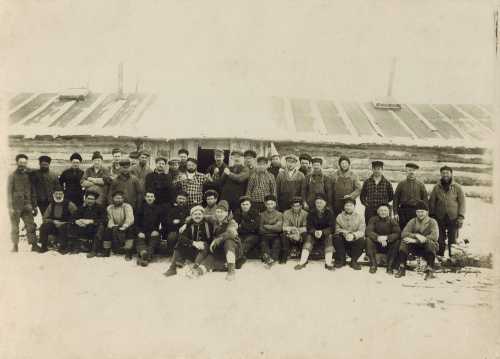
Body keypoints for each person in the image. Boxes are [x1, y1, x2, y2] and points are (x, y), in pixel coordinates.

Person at [188, 200, 242, 281]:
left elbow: (231, 233)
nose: (219, 214)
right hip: (219, 250)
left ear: (227, 213)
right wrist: (186, 223)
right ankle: (197, 272)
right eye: (217, 211)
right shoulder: (214, 219)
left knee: (228, 242)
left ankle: (231, 271)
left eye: (222, 212)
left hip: (233, 250)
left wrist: (218, 240)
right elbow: (200, 216)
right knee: (209, 259)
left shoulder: (232, 222)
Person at [163, 205, 214, 277]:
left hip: (204, 253)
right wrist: (193, 243)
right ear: (192, 216)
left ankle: (194, 268)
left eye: (199, 214)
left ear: (203, 215)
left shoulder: (208, 225)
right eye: (195, 214)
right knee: (179, 244)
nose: (197, 216)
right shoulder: (189, 225)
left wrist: (202, 243)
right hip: (192, 250)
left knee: (205, 244)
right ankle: (172, 268)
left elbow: (211, 238)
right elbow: (181, 237)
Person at [429, 165, 466, 257]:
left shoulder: (457, 187)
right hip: (439, 218)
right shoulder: (436, 187)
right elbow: (432, 202)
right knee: (440, 239)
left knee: (452, 240)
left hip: (453, 218)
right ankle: (440, 256)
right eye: (443, 173)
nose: (445, 175)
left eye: (447, 173)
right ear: (441, 174)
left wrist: (461, 217)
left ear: (451, 174)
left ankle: (452, 258)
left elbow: (462, 203)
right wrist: (432, 215)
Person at [396, 200, 439, 280]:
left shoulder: (432, 222)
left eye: (422, 212)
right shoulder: (412, 221)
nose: (420, 214)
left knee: (430, 243)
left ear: (426, 212)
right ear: (416, 212)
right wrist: (416, 235)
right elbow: (404, 233)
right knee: (404, 241)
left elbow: (434, 236)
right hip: (415, 247)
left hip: (428, 248)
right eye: (418, 212)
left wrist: (417, 240)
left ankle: (430, 270)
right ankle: (402, 267)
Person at [295, 193, 335, 270]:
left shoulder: (329, 213)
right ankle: (302, 261)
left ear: (325, 203)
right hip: (313, 234)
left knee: (329, 238)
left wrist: (322, 232)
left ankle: (328, 263)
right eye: (317, 202)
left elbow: (332, 228)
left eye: (321, 202)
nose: (319, 204)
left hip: (325, 235)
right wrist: (314, 232)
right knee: (308, 238)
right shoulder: (311, 213)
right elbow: (309, 226)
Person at [8, 154, 38, 252]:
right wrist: (10, 207)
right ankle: (15, 245)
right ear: (17, 163)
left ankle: (34, 245)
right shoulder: (12, 176)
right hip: (15, 206)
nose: (22, 164)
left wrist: (34, 206)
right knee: (15, 226)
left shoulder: (29, 175)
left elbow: (33, 191)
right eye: (20, 162)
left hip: (27, 205)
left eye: (24, 163)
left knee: (31, 225)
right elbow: (8, 192)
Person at [38, 184, 78, 254]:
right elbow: (45, 217)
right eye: (56, 194)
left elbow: (76, 216)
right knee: (44, 226)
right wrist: (53, 221)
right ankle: (44, 246)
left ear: (63, 195)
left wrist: (66, 222)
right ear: (54, 195)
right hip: (54, 224)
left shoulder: (69, 204)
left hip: (66, 224)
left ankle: (63, 247)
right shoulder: (51, 204)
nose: (58, 196)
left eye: (60, 194)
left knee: (63, 227)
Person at [365, 203, 401, 274]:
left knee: (397, 242)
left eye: (385, 210)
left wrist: (387, 238)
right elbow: (368, 231)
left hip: (388, 245)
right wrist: (378, 237)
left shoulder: (392, 220)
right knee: (368, 240)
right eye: (381, 210)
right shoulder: (373, 219)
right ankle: (373, 264)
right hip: (376, 244)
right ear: (378, 212)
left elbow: (397, 233)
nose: (383, 212)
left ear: (388, 212)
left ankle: (390, 266)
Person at [333, 198, 366, 270]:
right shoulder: (339, 216)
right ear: (344, 206)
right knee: (336, 237)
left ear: (354, 206)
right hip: (343, 240)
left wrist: (353, 235)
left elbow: (362, 231)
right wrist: (346, 233)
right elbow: (337, 229)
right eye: (346, 205)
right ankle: (342, 260)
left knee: (362, 240)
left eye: (350, 205)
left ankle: (354, 261)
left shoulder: (360, 217)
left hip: (354, 240)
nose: (348, 207)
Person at [393, 163, 428, 230]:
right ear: (406, 171)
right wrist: (395, 212)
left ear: (416, 172)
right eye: (409, 170)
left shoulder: (420, 184)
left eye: (413, 170)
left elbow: (425, 199)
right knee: (403, 230)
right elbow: (396, 199)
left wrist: (425, 213)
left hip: (416, 212)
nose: (411, 172)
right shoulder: (401, 184)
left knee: (415, 230)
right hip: (403, 211)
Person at [103, 190, 135, 260]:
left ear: (123, 199)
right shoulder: (109, 208)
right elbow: (110, 219)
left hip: (126, 225)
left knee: (130, 230)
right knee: (107, 230)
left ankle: (128, 252)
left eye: (120, 198)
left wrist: (125, 226)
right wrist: (112, 226)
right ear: (113, 199)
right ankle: (106, 250)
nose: (118, 200)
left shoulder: (127, 206)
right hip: (115, 226)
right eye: (116, 198)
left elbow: (130, 218)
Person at [73, 190, 105, 257]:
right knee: (72, 224)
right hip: (83, 227)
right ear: (86, 199)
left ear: (95, 200)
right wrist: (77, 221)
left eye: (92, 199)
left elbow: (104, 219)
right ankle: (76, 246)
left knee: (100, 227)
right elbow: (73, 217)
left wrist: (92, 221)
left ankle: (94, 250)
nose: (90, 201)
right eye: (88, 199)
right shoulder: (82, 208)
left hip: (94, 227)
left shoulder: (100, 208)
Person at [135, 191, 162, 266]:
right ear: (145, 198)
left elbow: (162, 223)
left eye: (151, 197)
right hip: (142, 231)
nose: (150, 198)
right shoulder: (140, 208)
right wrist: (139, 232)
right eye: (148, 196)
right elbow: (136, 223)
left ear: (154, 198)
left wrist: (157, 231)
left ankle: (144, 257)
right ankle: (144, 254)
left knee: (153, 242)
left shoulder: (158, 209)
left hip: (153, 232)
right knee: (140, 241)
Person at [232, 195, 260, 265]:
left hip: (253, 234)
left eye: (247, 204)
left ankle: (237, 258)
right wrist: (247, 225)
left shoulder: (255, 213)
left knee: (247, 241)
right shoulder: (237, 213)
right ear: (240, 205)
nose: (245, 206)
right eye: (243, 204)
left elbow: (255, 226)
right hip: (241, 234)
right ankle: (240, 258)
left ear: (250, 205)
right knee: (237, 242)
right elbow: (235, 226)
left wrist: (242, 226)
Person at [281, 196, 308, 264]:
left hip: (300, 234)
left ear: (301, 206)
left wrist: (298, 232)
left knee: (306, 235)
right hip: (290, 233)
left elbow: (306, 227)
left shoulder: (305, 214)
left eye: (298, 206)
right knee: (283, 234)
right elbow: (284, 227)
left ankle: (303, 255)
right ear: (291, 206)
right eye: (294, 206)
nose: (296, 208)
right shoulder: (286, 213)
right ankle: (285, 254)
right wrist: (293, 231)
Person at [259, 194, 283, 267]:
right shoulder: (262, 215)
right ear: (265, 205)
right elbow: (260, 229)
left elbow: (279, 229)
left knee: (277, 244)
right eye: (268, 204)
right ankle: (268, 259)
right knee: (263, 244)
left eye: (271, 204)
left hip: (276, 236)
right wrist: (273, 227)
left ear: (275, 204)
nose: (270, 206)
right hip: (265, 236)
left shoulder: (279, 214)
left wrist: (267, 226)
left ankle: (272, 259)